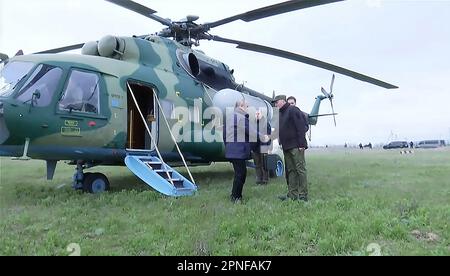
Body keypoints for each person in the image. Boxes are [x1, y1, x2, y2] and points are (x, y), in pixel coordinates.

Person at [224, 100, 266, 202]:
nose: (247, 109)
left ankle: (235, 195)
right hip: (238, 151)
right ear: (241, 106)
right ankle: (236, 197)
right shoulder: (240, 118)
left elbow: (224, 136)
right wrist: (263, 136)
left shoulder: (230, 118)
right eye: (247, 106)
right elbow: (251, 131)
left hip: (232, 150)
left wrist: (229, 147)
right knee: (241, 174)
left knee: (239, 173)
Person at [272, 95, 309, 201]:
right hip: (286, 147)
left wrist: (302, 144)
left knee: (300, 170)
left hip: (296, 146)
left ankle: (303, 195)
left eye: (276, 102)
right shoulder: (280, 113)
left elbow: (301, 127)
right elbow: (278, 130)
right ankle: (292, 194)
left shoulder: (293, 110)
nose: (275, 104)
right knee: (291, 170)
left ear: (283, 101)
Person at [251, 110, 271, 185]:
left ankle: (265, 180)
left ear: (262, 114)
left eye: (258, 113)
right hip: (255, 147)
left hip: (264, 147)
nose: (257, 115)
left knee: (264, 164)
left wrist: (267, 147)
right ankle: (259, 180)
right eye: (255, 114)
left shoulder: (266, 124)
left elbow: (269, 136)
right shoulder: (253, 124)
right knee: (257, 164)